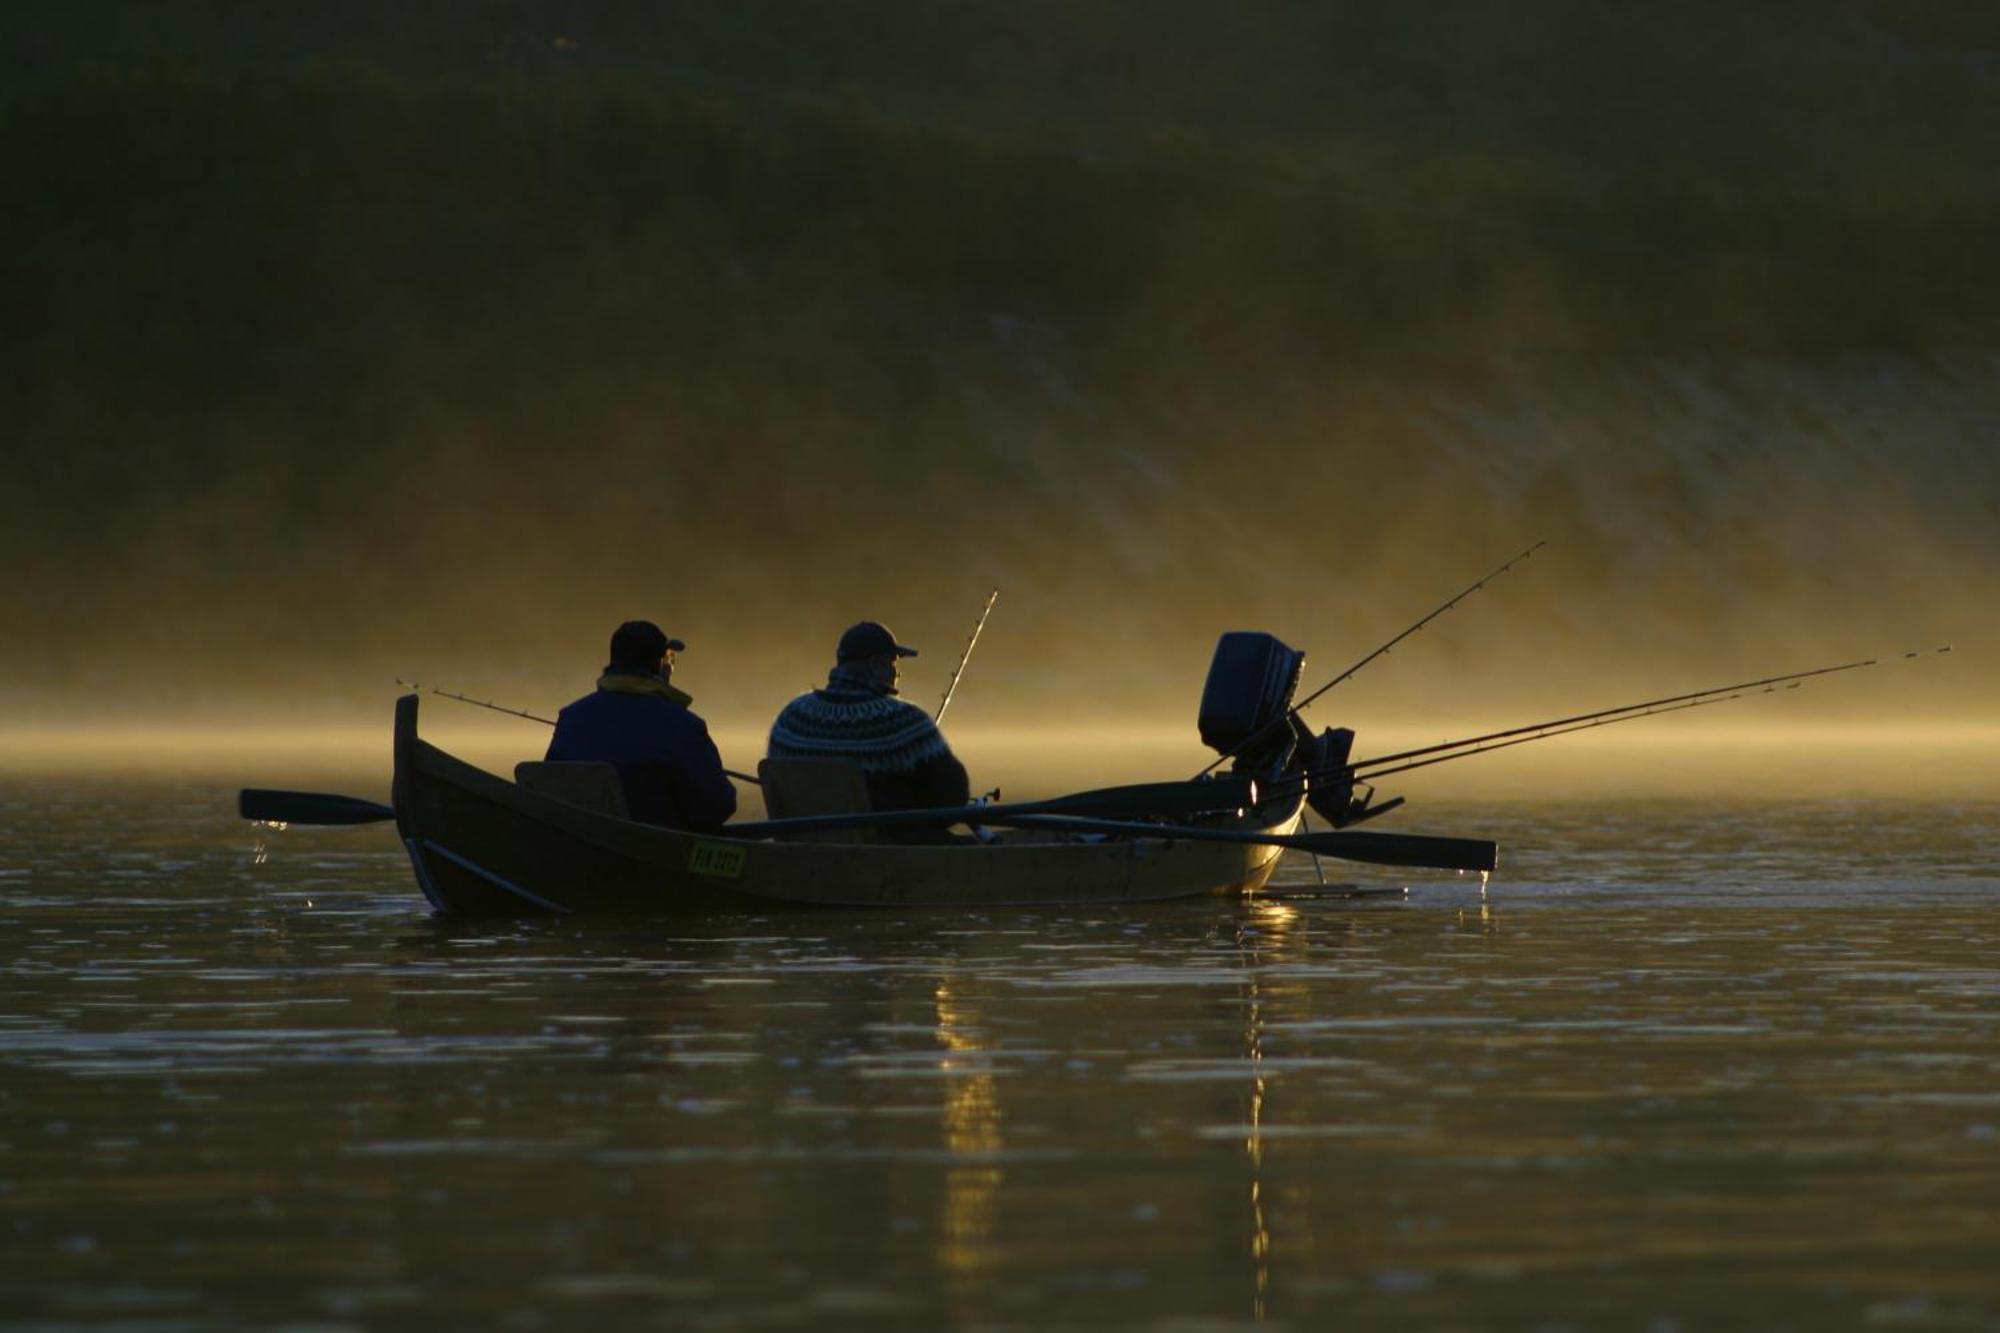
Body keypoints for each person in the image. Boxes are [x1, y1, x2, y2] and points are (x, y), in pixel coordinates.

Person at [767, 620, 971, 836]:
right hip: (884, 857)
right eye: (894, 664)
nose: (896, 674)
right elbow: (953, 799)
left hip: (800, 850)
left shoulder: (790, 719)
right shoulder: (902, 721)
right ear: (876, 665)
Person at [545, 620, 738, 832]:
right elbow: (718, 806)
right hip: (661, 852)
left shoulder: (570, 717)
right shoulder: (684, 726)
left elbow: (550, 791)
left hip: (578, 842)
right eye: (669, 661)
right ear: (659, 667)